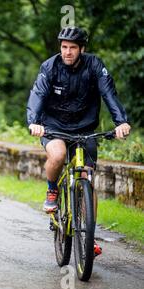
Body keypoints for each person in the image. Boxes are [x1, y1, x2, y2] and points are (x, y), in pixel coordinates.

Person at [27, 26, 131, 256]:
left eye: (73, 47)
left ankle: (87, 236)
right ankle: (52, 190)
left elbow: (109, 94)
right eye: (64, 47)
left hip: (85, 129)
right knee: (58, 155)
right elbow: (37, 95)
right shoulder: (50, 67)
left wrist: (120, 122)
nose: (67, 52)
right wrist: (34, 121)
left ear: (82, 49)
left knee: (87, 179)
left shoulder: (94, 65)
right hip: (53, 126)